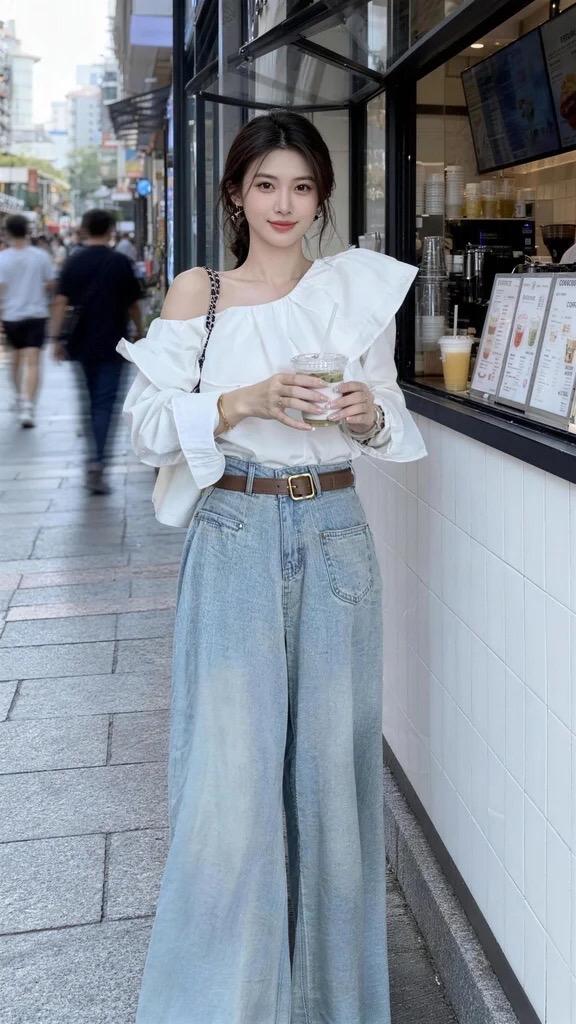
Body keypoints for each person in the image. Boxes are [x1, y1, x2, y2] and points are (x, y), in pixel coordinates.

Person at [117, 110, 427, 1024]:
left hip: (334, 533)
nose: (284, 204)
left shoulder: (353, 293)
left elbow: (391, 425)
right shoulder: (200, 292)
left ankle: (332, 1005)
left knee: (333, 786)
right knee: (229, 787)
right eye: (265, 185)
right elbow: (145, 430)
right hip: (235, 531)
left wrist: (368, 414)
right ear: (236, 193)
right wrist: (242, 400)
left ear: (321, 197)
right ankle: (226, 1006)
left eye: (301, 187)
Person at [50, 209, 143, 494]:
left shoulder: (74, 262)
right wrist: (140, 331)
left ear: (84, 229)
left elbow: (60, 302)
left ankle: (93, 457)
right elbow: (133, 304)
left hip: (81, 344)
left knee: (89, 402)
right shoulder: (120, 263)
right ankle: (98, 462)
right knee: (105, 404)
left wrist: (56, 338)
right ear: (111, 230)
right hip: (113, 343)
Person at [0, 213, 55, 427]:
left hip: (11, 316)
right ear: (27, 231)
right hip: (36, 314)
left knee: (15, 359)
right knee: (33, 361)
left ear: (7, 233)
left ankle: (18, 396)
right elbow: (51, 284)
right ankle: (28, 405)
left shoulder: (3, 258)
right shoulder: (40, 256)